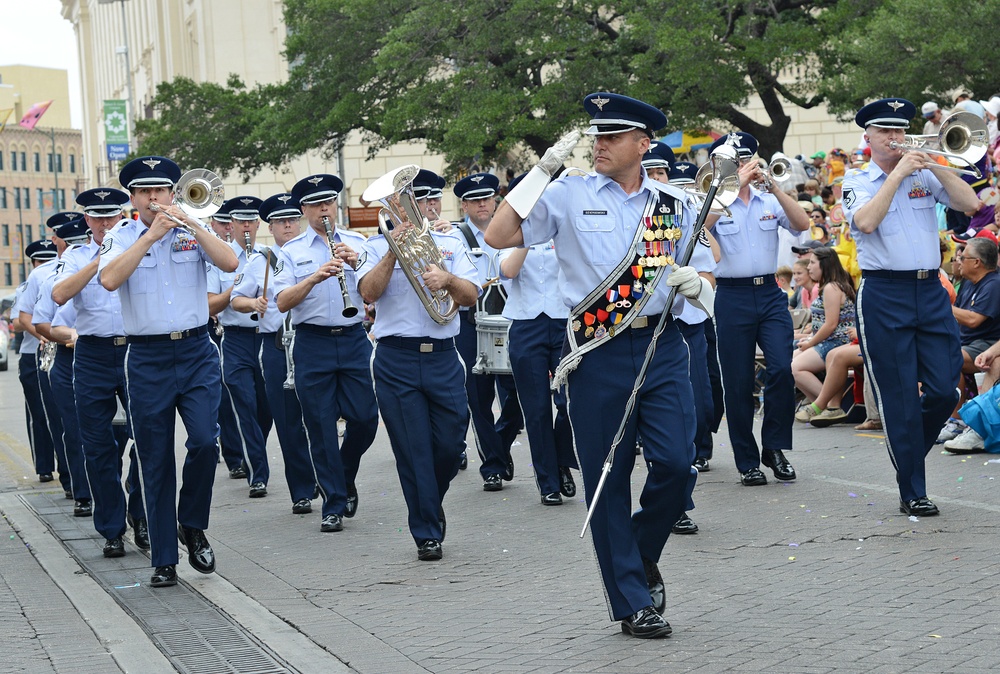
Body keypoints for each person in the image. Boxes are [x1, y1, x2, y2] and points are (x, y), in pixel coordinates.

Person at [487, 92, 717, 638]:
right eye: (597, 136)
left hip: (661, 348)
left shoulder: (673, 204)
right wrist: (540, 171)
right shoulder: (566, 194)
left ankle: (636, 555)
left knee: (676, 464)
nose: (600, 144)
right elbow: (498, 236)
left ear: (644, 144)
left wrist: (694, 286)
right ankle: (633, 601)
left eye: (613, 137)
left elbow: (706, 278)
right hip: (596, 351)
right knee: (607, 479)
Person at [99, 155, 238, 587]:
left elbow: (230, 263)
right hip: (146, 358)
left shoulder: (191, 228)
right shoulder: (121, 236)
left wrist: (193, 225)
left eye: (161, 190)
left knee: (204, 442)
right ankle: (163, 557)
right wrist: (149, 237)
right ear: (134, 198)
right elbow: (108, 280)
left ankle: (192, 524)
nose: (154, 198)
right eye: (145, 192)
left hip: (196, 350)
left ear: (173, 193)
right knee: (154, 458)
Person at [842, 98, 979, 517]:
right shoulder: (857, 180)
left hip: (930, 291)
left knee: (943, 390)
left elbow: (970, 204)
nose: (896, 138)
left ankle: (907, 451)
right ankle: (912, 490)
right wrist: (898, 173)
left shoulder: (924, 174)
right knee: (900, 397)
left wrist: (935, 161)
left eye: (900, 131)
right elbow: (865, 223)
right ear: (868, 137)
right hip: (884, 293)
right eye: (886, 131)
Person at [357, 185, 480, 560]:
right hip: (397, 358)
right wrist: (393, 251)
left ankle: (429, 501)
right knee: (413, 450)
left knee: (450, 443)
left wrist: (448, 280)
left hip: (443, 355)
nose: (407, 209)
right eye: (398, 203)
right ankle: (426, 531)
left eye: (410, 201)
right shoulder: (372, 248)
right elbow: (368, 292)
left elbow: (471, 294)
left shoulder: (449, 242)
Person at [272, 174, 378, 532]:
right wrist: (315, 277)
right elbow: (283, 301)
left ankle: (343, 475)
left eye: (329, 203)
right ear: (303, 210)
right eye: (316, 205)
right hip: (312, 342)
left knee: (365, 419)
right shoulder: (291, 252)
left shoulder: (356, 242)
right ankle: (333, 504)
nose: (324, 210)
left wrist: (356, 265)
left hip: (352, 338)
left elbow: (376, 292)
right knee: (319, 425)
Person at [710, 131, 810, 487]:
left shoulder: (769, 201)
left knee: (783, 368)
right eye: (737, 162)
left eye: (747, 160)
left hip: (769, 292)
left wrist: (776, 189)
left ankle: (775, 448)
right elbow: (698, 230)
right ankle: (747, 460)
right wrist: (730, 187)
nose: (746, 167)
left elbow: (802, 225)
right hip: (732, 295)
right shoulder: (711, 202)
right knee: (737, 382)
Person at [52, 187, 148, 557]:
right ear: (87, 220)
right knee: (96, 445)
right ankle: (111, 526)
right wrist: (101, 260)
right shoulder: (76, 255)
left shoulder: (139, 243)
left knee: (146, 439)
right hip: (91, 353)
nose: (105, 223)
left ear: (123, 214)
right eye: (97, 217)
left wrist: (121, 253)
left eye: (111, 215)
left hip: (135, 349)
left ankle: (141, 514)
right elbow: (60, 295)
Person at [230, 193, 316, 513]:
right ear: (270, 227)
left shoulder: (313, 253)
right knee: (288, 422)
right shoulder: (260, 260)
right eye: (281, 221)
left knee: (318, 418)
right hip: (277, 347)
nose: (289, 225)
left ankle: (327, 475)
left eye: (293, 219)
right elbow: (237, 300)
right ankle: (302, 490)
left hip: (310, 342)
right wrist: (254, 304)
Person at [498, 189, 579, 506]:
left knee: (569, 402)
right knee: (535, 409)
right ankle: (548, 482)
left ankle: (562, 460)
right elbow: (508, 271)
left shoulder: (565, 228)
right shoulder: (509, 234)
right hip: (526, 323)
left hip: (564, 322)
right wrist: (527, 237)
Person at [451, 173, 522, 492]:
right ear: (464, 205)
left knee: (518, 394)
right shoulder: (453, 235)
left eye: (487, 197)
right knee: (478, 397)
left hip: (510, 319)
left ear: (496, 200)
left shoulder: (512, 229)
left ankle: (500, 443)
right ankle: (492, 464)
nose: (482, 203)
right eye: (474, 199)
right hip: (471, 321)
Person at [208, 196, 273, 499]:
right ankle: (257, 473)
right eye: (240, 222)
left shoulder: (269, 255)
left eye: (251, 221)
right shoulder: (219, 258)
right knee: (244, 405)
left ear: (258, 224)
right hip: (235, 338)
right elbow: (210, 304)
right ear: (230, 224)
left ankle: (254, 452)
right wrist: (238, 288)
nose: (246, 227)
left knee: (267, 407)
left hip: (266, 338)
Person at [940, 238, 1000, 452]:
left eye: (962, 257)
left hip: (986, 342)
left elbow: (974, 320)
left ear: (977, 262)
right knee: (934, 352)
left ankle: (959, 422)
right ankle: (948, 418)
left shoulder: (994, 284)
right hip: (969, 342)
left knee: (950, 357)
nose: (958, 261)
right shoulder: (968, 284)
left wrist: (942, 304)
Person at [792, 247, 857, 421]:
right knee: (788, 361)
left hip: (837, 341)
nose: (809, 267)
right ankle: (822, 406)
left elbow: (831, 325)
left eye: (813, 263)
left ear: (825, 264)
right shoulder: (827, 286)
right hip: (827, 340)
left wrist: (810, 342)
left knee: (794, 368)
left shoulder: (832, 287)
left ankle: (826, 405)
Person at [13, 240, 59, 484]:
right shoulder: (27, 285)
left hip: (60, 352)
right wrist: (42, 331)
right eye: (40, 261)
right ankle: (44, 466)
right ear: (33, 263)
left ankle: (67, 468)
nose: (44, 264)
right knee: (39, 414)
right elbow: (18, 321)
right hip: (33, 355)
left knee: (61, 415)